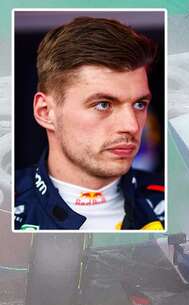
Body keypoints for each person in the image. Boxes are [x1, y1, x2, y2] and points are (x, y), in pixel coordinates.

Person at [14, 16, 164, 231]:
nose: (131, 126)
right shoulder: (7, 205)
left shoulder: (178, 202)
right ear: (45, 112)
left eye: (139, 104)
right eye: (103, 105)